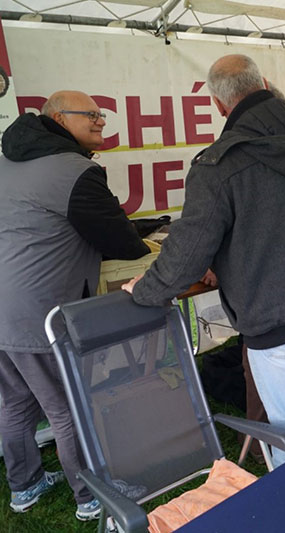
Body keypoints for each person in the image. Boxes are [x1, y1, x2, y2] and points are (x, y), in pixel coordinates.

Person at [123, 54, 285, 467]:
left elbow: (188, 252)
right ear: (265, 83)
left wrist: (146, 290)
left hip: (275, 318)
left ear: (220, 105)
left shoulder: (218, 163)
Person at [0, 91, 150, 520]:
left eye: (102, 114)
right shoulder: (75, 170)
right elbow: (118, 238)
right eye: (92, 115)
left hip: (4, 310)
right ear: (59, 118)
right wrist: (149, 242)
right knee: (68, 407)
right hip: (37, 312)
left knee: (15, 403)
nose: (101, 121)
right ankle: (90, 496)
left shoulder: (7, 159)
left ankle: (24, 486)